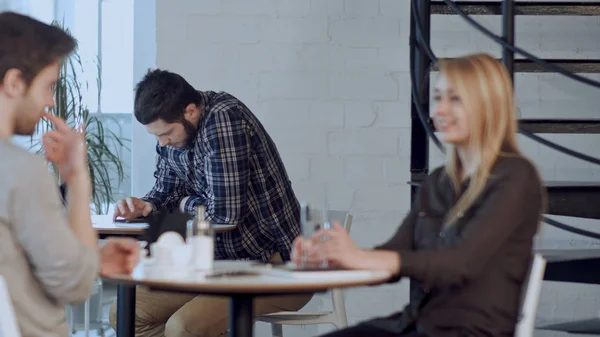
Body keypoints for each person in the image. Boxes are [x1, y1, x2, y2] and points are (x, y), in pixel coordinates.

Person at [294, 53, 545, 337]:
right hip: (415, 325)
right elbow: (397, 253)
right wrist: (335, 257)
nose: (440, 110)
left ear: (488, 106)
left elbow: (461, 263)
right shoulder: (438, 182)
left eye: (456, 99)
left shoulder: (515, 176)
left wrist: (362, 258)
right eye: (438, 98)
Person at [109, 69, 311, 336]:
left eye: (167, 132)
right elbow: (164, 192)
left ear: (190, 111)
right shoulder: (176, 138)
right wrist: (145, 205)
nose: (162, 142)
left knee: (182, 328)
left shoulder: (224, 119)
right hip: (213, 266)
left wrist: (182, 204)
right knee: (126, 315)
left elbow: (224, 216)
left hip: (274, 266)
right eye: (156, 136)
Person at [0, 11, 140, 337]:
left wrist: (93, 258)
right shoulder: (22, 169)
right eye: (49, 86)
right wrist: (77, 179)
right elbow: (75, 285)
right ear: (13, 82)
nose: (50, 101)